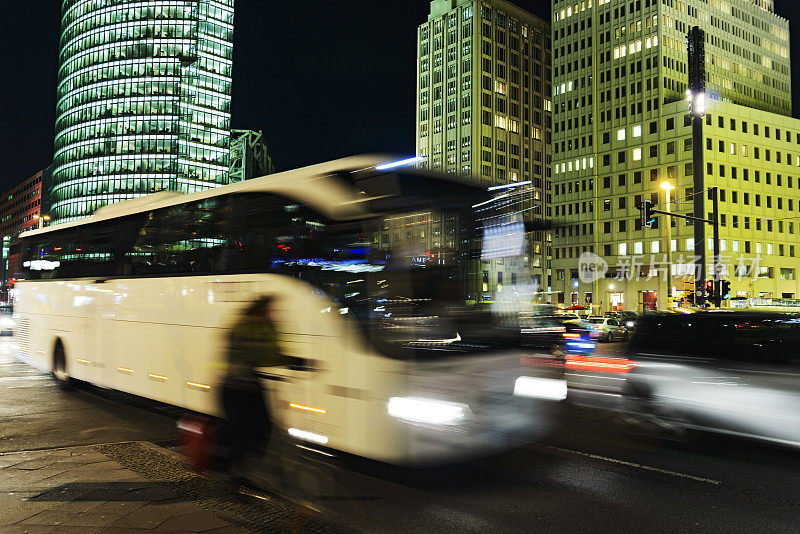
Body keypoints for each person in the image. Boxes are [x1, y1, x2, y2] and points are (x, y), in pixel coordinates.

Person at [219, 295, 305, 474]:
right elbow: (263, 355)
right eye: (269, 310)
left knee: (260, 425)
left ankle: (243, 464)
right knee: (247, 428)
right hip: (236, 387)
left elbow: (271, 352)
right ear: (259, 310)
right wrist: (295, 360)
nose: (273, 314)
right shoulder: (247, 327)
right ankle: (235, 469)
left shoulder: (261, 327)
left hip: (248, 384)